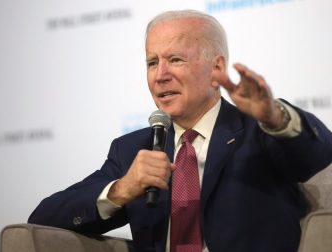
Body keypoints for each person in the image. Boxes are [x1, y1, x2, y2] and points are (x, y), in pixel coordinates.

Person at [28, 9, 332, 252]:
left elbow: (318, 155)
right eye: (152, 62)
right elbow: (43, 219)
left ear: (216, 69)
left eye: (175, 59)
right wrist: (122, 189)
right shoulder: (134, 150)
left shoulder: (260, 131)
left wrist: (275, 117)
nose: (160, 75)